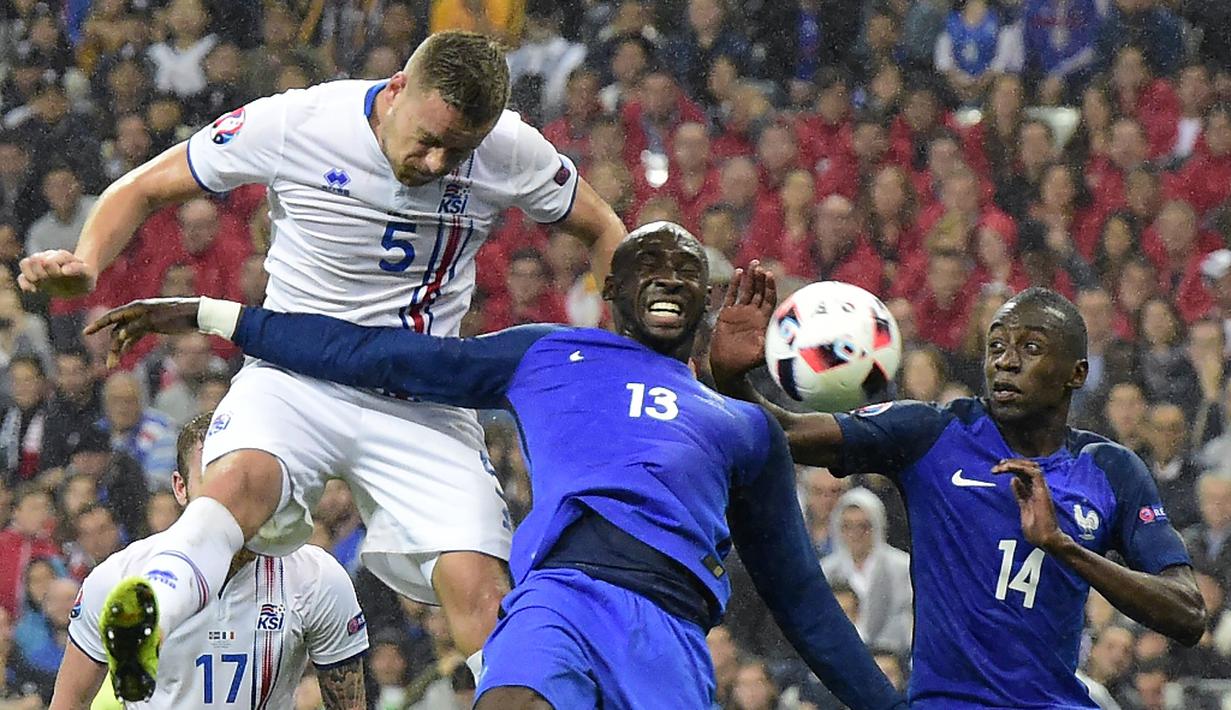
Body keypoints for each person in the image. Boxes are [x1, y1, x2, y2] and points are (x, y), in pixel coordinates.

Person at [19, 30, 626, 700]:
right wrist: (87, 259)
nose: (433, 160)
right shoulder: (299, 121)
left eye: (456, 151)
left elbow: (605, 229)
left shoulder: (511, 149)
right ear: (396, 89)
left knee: (482, 592)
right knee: (237, 486)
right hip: (294, 378)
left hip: (419, 396)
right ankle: (148, 610)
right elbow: (144, 186)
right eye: (425, 137)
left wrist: (637, 353)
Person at [85, 222, 905, 710]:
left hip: (668, 627)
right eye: (648, 265)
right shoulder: (549, 354)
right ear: (609, 290)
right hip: (557, 595)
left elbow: (801, 599)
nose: (669, 278)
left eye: (688, 272)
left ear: (706, 301)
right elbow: (376, 355)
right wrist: (211, 313)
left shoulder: (742, 425)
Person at [705, 273, 1206, 708]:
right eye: (996, 347)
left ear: (1077, 372)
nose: (1006, 362)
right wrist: (732, 377)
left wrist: (1064, 548)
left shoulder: (1109, 469)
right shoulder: (933, 434)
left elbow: (1187, 614)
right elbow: (786, 433)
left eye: (1030, 348)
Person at [49, 412, 368, 709]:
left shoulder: (317, 577)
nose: (230, 499)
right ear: (180, 488)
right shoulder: (118, 577)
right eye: (214, 483)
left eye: (240, 481)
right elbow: (69, 702)